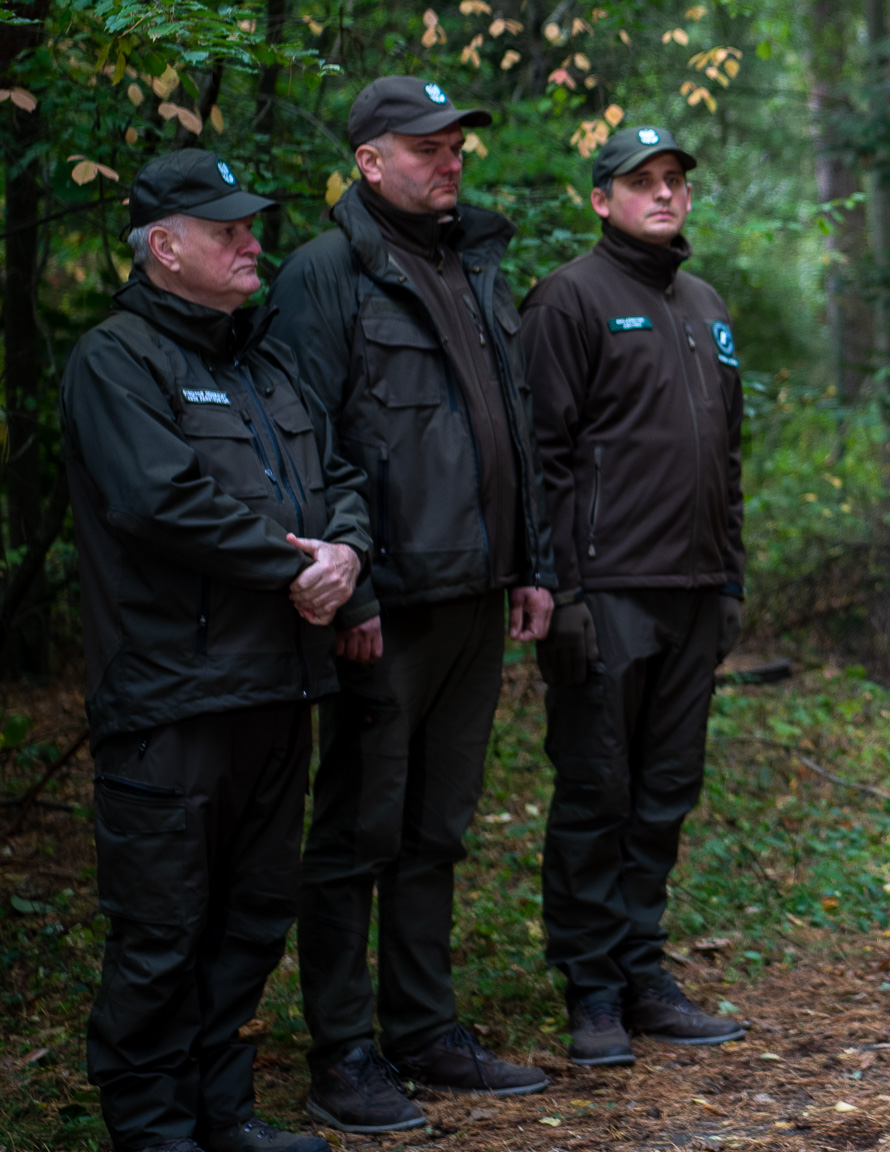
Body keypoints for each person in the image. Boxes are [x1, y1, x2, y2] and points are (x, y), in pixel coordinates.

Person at [65, 149, 373, 1152]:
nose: (252, 242)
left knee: (252, 916)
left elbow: (340, 473)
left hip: (279, 686)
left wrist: (347, 551)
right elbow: (157, 499)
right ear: (164, 246)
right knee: (162, 930)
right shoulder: (117, 359)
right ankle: (152, 1128)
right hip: (172, 697)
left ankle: (221, 1113)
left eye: (252, 225)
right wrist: (294, 566)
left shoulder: (262, 360)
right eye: (227, 229)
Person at [269, 76, 557, 1130]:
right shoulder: (325, 276)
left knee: (437, 829)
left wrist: (533, 563)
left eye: (456, 146)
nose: (451, 161)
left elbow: (510, 430)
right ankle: (342, 1052)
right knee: (356, 833)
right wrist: (353, 592)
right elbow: (304, 443)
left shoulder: (473, 265)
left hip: (477, 598)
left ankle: (424, 1028)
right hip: (382, 610)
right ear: (369, 160)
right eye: (426, 146)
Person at [518, 126, 748, 1064]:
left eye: (674, 182)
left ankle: (643, 971)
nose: (662, 195)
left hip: (695, 588)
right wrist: (559, 590)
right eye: (640, 182)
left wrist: (731, 576)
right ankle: (593, 990)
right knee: (597, 791)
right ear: (602, 198)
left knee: (664, 792)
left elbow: (728, 456)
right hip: (607, 591)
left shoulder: (704, 304)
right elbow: (542, 458)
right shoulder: (568, 299)